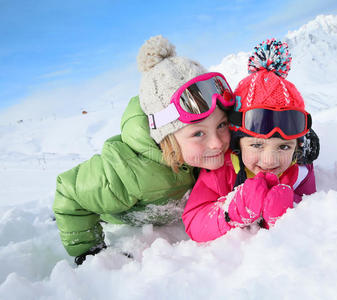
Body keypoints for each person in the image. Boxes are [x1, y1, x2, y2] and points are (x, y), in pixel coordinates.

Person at [53, 35, 235, 265]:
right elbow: (69, 192)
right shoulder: (129, 171)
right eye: (198, 133)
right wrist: (91, 251)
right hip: (109, 213)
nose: (217, 143)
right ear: (167, 138)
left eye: (221, 125)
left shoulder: (206, 156)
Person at [182, 39, 319, 242]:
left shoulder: (300, 169)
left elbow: (314, 205)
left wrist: (290, 209)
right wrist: (231, 210)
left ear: (297, 144)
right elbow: (194, 220)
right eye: (256, 145)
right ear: (237, 142)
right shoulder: (220, 172)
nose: (270, 160)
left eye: (283, 146)